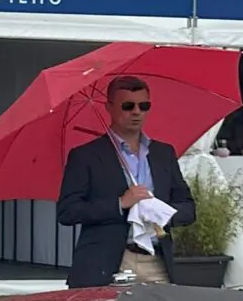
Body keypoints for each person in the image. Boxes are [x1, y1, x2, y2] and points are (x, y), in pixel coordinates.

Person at [56, 75, 196, 289]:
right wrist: (120, 204)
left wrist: (161, 212)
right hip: (109, 263)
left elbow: (188, 208)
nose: (136, 112)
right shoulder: (86, 156)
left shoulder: (163, 153)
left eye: (144, 105)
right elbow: (68, 212)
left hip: (156, 262)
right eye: (128, 106)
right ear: (109, 107)